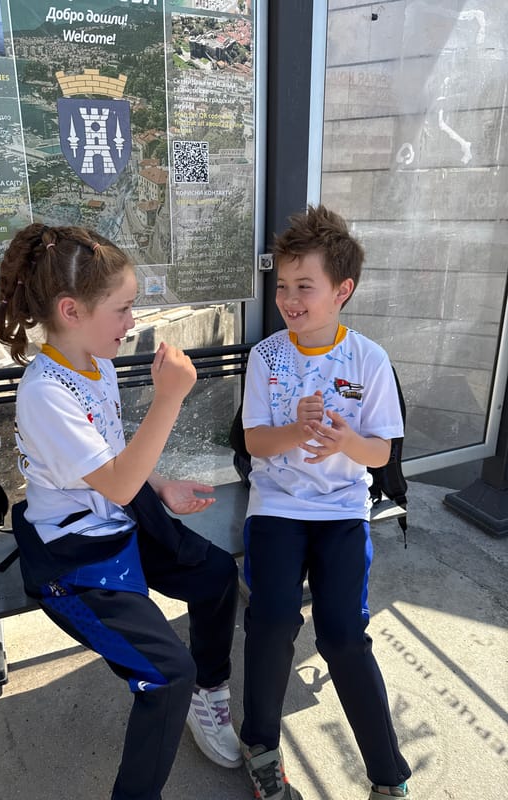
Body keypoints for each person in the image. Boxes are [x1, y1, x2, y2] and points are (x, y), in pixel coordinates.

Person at [0, 223, 241, 800]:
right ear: (71, 310)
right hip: (76, 556)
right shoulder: (45, 392)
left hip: (120, 515)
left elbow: (111, 456)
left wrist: (161, 484)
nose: (133, 322)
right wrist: (171, 397)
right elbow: (117, 483)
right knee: (164, 675)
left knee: (216, 576)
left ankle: (209, 690)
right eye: (124, 308)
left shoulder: (92, 361)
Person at [238, 205, 412, 800]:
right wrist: (294, 428)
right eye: (282, 286)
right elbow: (255, 441)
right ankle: (260, 744)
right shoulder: (267, 358)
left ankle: (389, 776)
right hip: (278, 509)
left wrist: (346, 441)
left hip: (340, 512)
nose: (289, 298)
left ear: (342, 291)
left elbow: (380, 451)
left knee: (342, 635)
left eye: (303, 287)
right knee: (273, 618)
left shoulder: (368, 359)